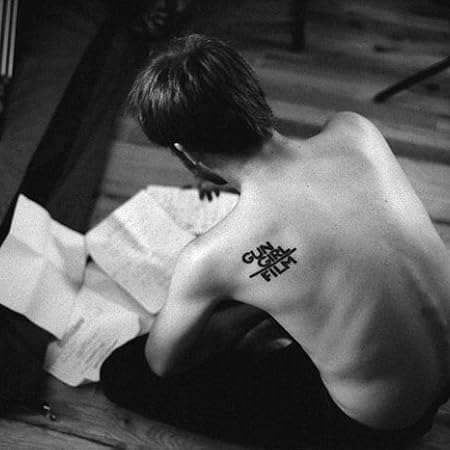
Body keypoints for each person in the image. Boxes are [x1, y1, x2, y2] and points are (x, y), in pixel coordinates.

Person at [100, 34, 450, 448]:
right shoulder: (356, 131)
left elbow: (160, 363)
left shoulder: (210, 257)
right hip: (437, 376)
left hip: (377, 426)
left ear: (185, 152)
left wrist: (243, 315)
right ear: (253, 94)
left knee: (124, 372)